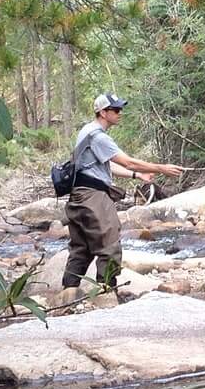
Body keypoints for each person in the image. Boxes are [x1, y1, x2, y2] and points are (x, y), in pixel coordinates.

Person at [62, 93, 185, 292]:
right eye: (116, 110)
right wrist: (161, 168)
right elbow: (126, 161)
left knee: (81, 248)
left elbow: (107, 165)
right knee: (109, 246)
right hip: (93, 197)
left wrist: (138, 175)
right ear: (103, 112)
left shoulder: (87, 131)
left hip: (79, 196)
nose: (120, 113)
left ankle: (67, 293)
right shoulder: (98, 136)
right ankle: (107, 293)